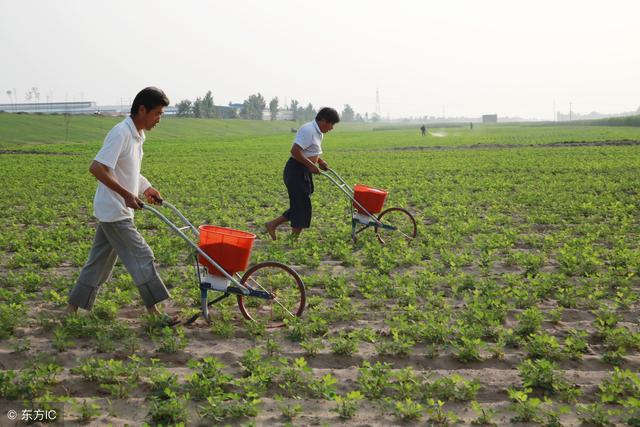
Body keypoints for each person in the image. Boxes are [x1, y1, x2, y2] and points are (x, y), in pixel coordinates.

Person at [66, 87, 179, 326]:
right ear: (142, 110)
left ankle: (71, 310)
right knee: (142, 255)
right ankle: (155, 314)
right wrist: (126, 195)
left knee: (98, 265)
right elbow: (97, 168)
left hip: (115, 209)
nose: (159, 119)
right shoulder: (120, 133)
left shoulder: (137, 136)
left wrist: (146, 188)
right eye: (157, 113)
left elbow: (127, 172)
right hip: (115, 210)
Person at [265, 107, 340, 240]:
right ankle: (292, 238)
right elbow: (295, 151)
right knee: (302, 206)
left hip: (303, 170)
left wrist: (320, 161)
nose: (332, 128)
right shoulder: (308, 130)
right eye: (331, 124)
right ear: (323, 120)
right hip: (296, 170)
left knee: (301, 204)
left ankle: (273, 224)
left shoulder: (318, 133)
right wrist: (311, 165)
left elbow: (310, 151)